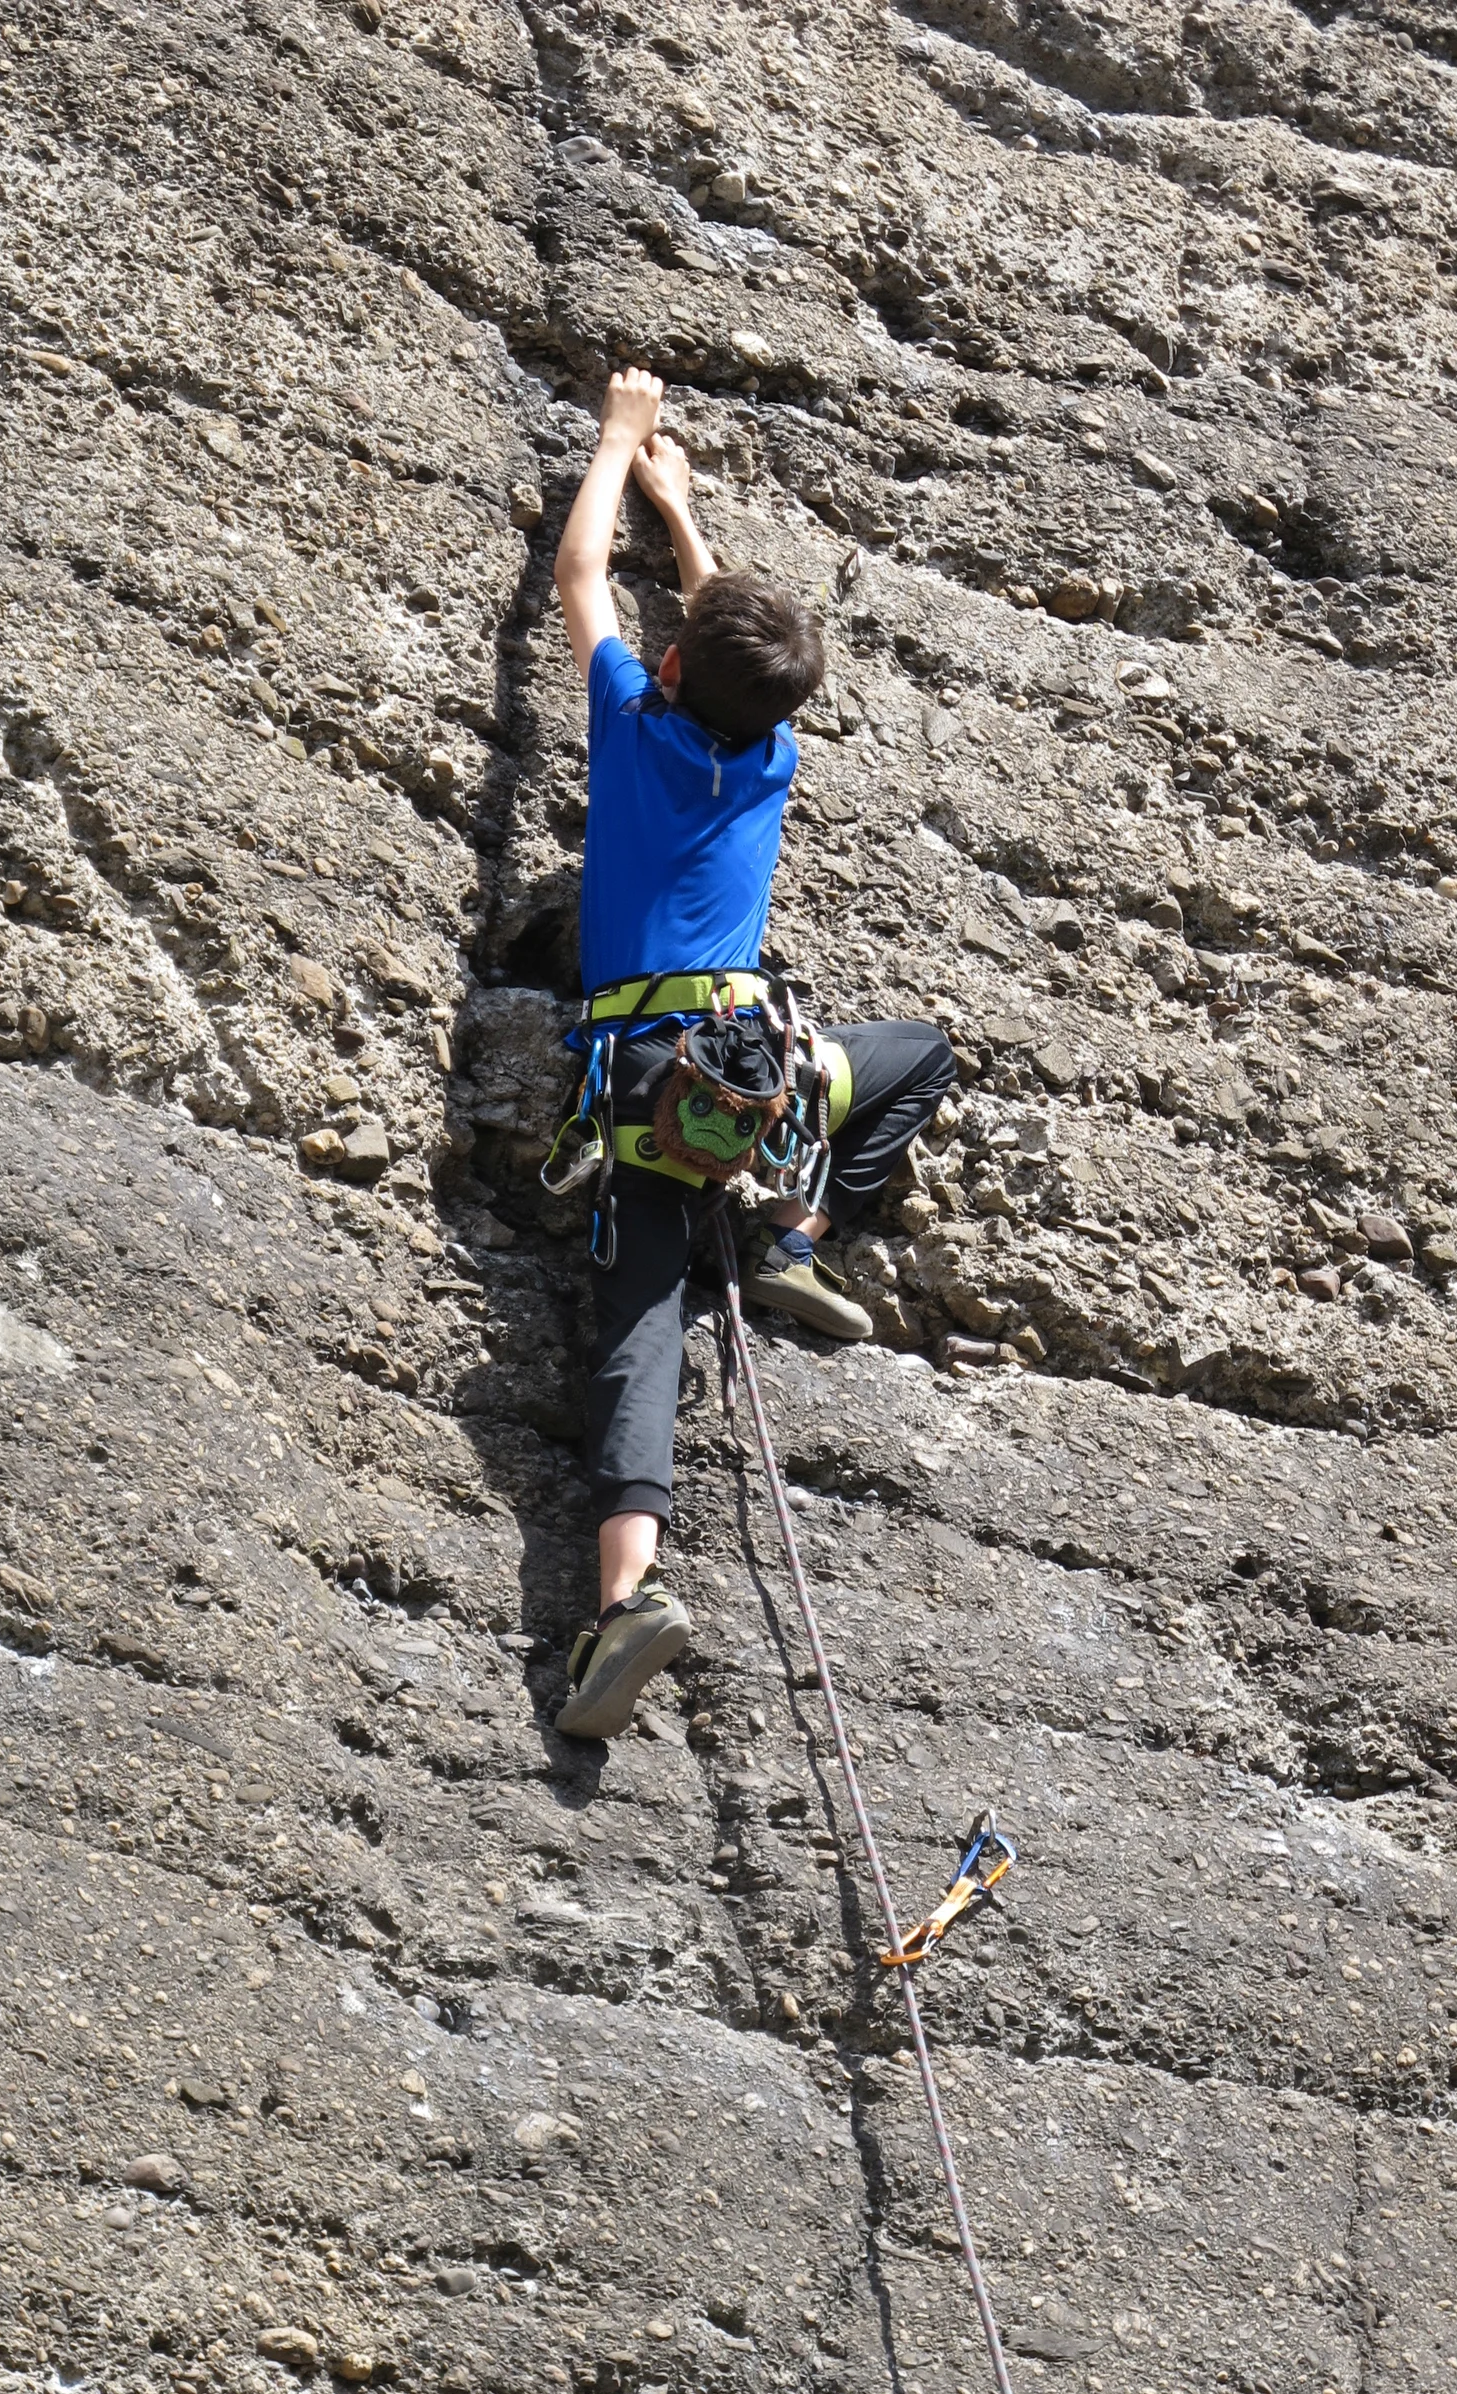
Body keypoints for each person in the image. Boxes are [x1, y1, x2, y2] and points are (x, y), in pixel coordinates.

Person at [549, 366, 954, 1742]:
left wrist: (617, 447)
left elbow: (581, 579)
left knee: (640, 1330)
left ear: (669, 670)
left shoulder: (633, 724)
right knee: (915, 1055)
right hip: (768, 1076)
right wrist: (682, 505)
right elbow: (727, 641)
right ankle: (798, 1233)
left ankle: (627, 1596)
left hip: (644, 1093)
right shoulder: (770, 759)